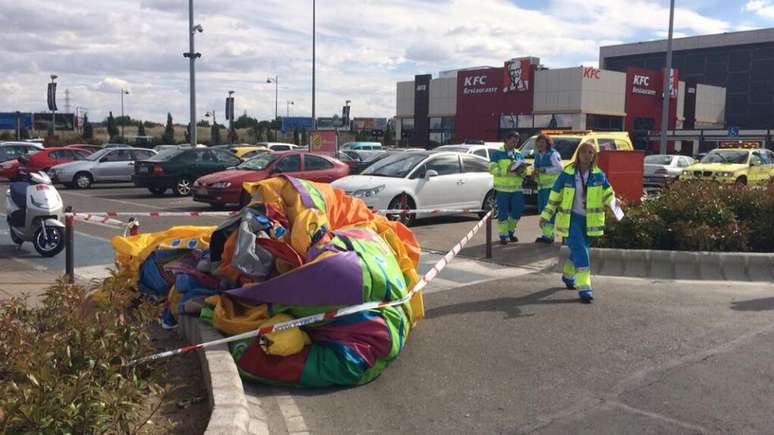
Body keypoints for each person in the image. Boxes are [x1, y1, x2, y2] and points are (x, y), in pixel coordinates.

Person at [539, 142, 620, 303]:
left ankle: (568, 276)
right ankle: (585, 286)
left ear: (594, 156)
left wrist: (615, 204)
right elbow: (555, 196)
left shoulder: (598, 175)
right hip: (572, 219)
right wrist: (546, 215)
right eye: (584, 152)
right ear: (579, 154)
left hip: (590, 221)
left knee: (578, 250)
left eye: (591, 152)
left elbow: (608, 193)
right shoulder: (567, 173)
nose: (587, 155)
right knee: (582, 251)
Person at [489, 133, 525, 245]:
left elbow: (523, 171)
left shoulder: (518, 154)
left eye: (516, 142)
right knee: (503, 213)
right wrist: (506, 171)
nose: (515, 144)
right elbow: (492, 169)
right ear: (506, 140)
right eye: (513, 141)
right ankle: (503, 235)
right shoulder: (497, 154)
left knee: (517, 211)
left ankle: (510, 231)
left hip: (517, 189)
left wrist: (522, 171)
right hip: (502, 189)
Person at [532, 134, 563, 244]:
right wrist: (534, 174)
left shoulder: (553, 154)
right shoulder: (537, 155)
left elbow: (560, 168)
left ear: (547, 143)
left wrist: (544, 170)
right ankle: (547, 234)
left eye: (543, 142)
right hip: (541, 187)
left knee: (549, 211)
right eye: (538, 142)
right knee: (542, 210)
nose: (540, 144)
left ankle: (548, 236)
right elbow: (536, 169)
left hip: (551, 187)